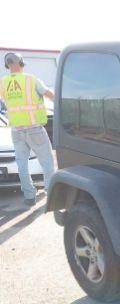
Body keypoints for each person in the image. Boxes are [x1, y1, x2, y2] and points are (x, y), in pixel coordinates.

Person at [0, 52, 56, 206]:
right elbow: (50, 95)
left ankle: (29, 197)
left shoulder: (3, 82)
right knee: (47, 161)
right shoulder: (31, 80)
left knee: (22, 164)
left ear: (7, 65)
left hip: (16, 131)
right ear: (22, 62)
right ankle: (51, 193)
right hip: (34, 129)